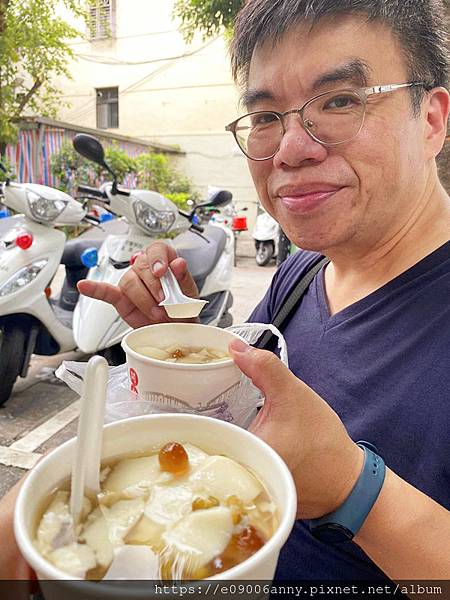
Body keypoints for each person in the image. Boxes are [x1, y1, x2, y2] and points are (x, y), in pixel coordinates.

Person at [1, 0, 449, 584]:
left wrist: (355, 488)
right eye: (265, 117)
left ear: (432, 119)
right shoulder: (303, 272)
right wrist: (187, 344)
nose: (290, 149)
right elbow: (246, 406)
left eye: (340, 101)